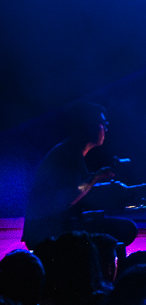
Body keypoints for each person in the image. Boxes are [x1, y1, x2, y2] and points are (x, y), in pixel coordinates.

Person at [23, 102, 139, 248]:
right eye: (102, 123)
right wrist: (96, 177)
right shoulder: (69, 154)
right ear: (88, 127)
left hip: (50, 228)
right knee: (127, 229)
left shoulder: (70, 150)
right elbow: (70, 197)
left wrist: (111, 188)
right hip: (48, 232)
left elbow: (79, 189)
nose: (106, 128)